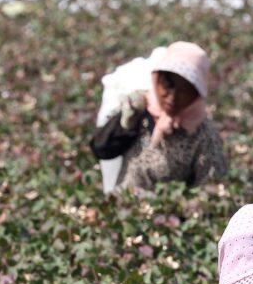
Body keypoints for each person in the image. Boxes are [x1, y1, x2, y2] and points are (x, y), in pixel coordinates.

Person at [90, 42, 227, 193]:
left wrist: (176, 207)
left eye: (184, 91)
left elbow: (210, 189)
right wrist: (125, 123)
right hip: (124, 208)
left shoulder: (203, 133)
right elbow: (102, 150)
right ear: (156, 79)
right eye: (167, 85)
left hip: (170, 215)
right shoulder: (140, 109)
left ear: (196, 94)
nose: (172, 98)